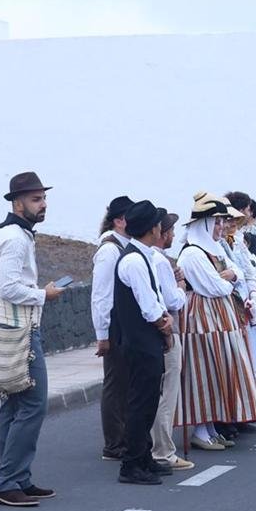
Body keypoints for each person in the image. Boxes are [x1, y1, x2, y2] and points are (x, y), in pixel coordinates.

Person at [0, 171, 65, 507]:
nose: (43, 204)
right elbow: (6, 287)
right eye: (36, 199)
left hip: (11, 327)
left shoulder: (13, 234)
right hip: (19, 329)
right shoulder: (16, 238)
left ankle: (17, 477)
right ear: (18, 203)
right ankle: (7, 481)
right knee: (32, 404)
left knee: (15, 404)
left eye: (44, 198)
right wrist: (43, 294)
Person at [176, 193, 256, 451]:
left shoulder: (213, 249)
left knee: (218, 372)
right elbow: (214, 286)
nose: (220, 227)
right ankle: (201, 431)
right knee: (204, 372)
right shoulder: (192, 254)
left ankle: (211, 428)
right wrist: (230, 278)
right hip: (201, 321)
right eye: (215, 222)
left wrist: (232, 275)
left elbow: (237, 270)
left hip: (218, 319)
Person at [111, 200, 176, 485]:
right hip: (140, 340)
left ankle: (144, 456)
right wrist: (166, 325)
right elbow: (149, 306)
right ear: (152, 228)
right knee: (140, 402)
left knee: (148, 401)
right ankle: (131, 463)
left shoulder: (143, 255)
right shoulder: (134, 260)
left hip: (144, 340)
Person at [146, 210, 194, 474]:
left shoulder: (145, 257)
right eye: (171, 230)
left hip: (151, 332)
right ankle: (163, 450)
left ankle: (156, 446)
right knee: (169, 391)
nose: (174, 235)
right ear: (161, 233)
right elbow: (173, 300)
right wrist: (181, 285)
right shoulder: (161, 261)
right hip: (168, 327)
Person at [90, 195, 136, 462]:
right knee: (115, 385)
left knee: (124, 384)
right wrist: (103, 334)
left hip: (123, 325)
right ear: (119, 221)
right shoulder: (109, 250)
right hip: (115, 326)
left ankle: (123, 438)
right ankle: (114, 444)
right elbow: (101, 296)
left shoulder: (123, 246)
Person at [224, 190, 256, 429]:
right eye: (227, 220)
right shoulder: (216, 245)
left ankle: (247, 412)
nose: (231, 224)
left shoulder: (239, 240)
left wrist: (254, 295)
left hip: (247, 304)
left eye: (234, 220)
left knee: (250, 360)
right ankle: (233, 416)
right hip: (231, 307)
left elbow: (250, 271)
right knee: (236, 363)